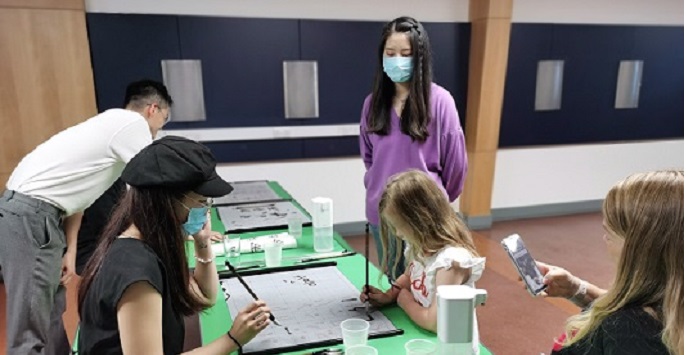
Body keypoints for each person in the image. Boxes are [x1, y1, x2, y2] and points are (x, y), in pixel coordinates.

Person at [0, 79, 172, 354]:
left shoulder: (106, 131)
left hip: (44, 217)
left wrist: (70, 251)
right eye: (161, 122)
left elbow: (80, 199)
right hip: (30, 215)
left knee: (53, 314)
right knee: (30, 331)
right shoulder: (131, 124)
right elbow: (152, 184)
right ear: (153, 109)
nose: (156, 132)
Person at [78, 136, 271, 354]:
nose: (205, 209)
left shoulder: (153, 243)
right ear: (168, 202)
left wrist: (202, 241)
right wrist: (232, 339)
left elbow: (205, 297)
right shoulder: (136, 271)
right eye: (200, 201)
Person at [359, 16, 468, 281]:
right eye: (390, 53)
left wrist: (432, 201)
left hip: (426, 216)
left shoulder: (440, 101)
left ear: (419, 57)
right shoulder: (373, 104)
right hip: (384, 214)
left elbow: (456, 167)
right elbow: (369, 158)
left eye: (406, 54)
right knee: (395, 285)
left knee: (428, 287)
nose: (397, 60)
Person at [531, 170, 683, 355]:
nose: (604, 238)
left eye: (610, 235)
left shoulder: (626, 331)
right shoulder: (670, 305)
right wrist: (577, 289)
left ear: (639, 249)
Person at [360, 170, 484, 351]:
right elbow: (411, 274)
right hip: (425, 340)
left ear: (420, 221)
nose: (399, 234)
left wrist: (403, 299)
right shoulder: (420, 245)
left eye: (400, 227)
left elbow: (434, 322)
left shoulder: (450, 263)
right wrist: (389, 295)